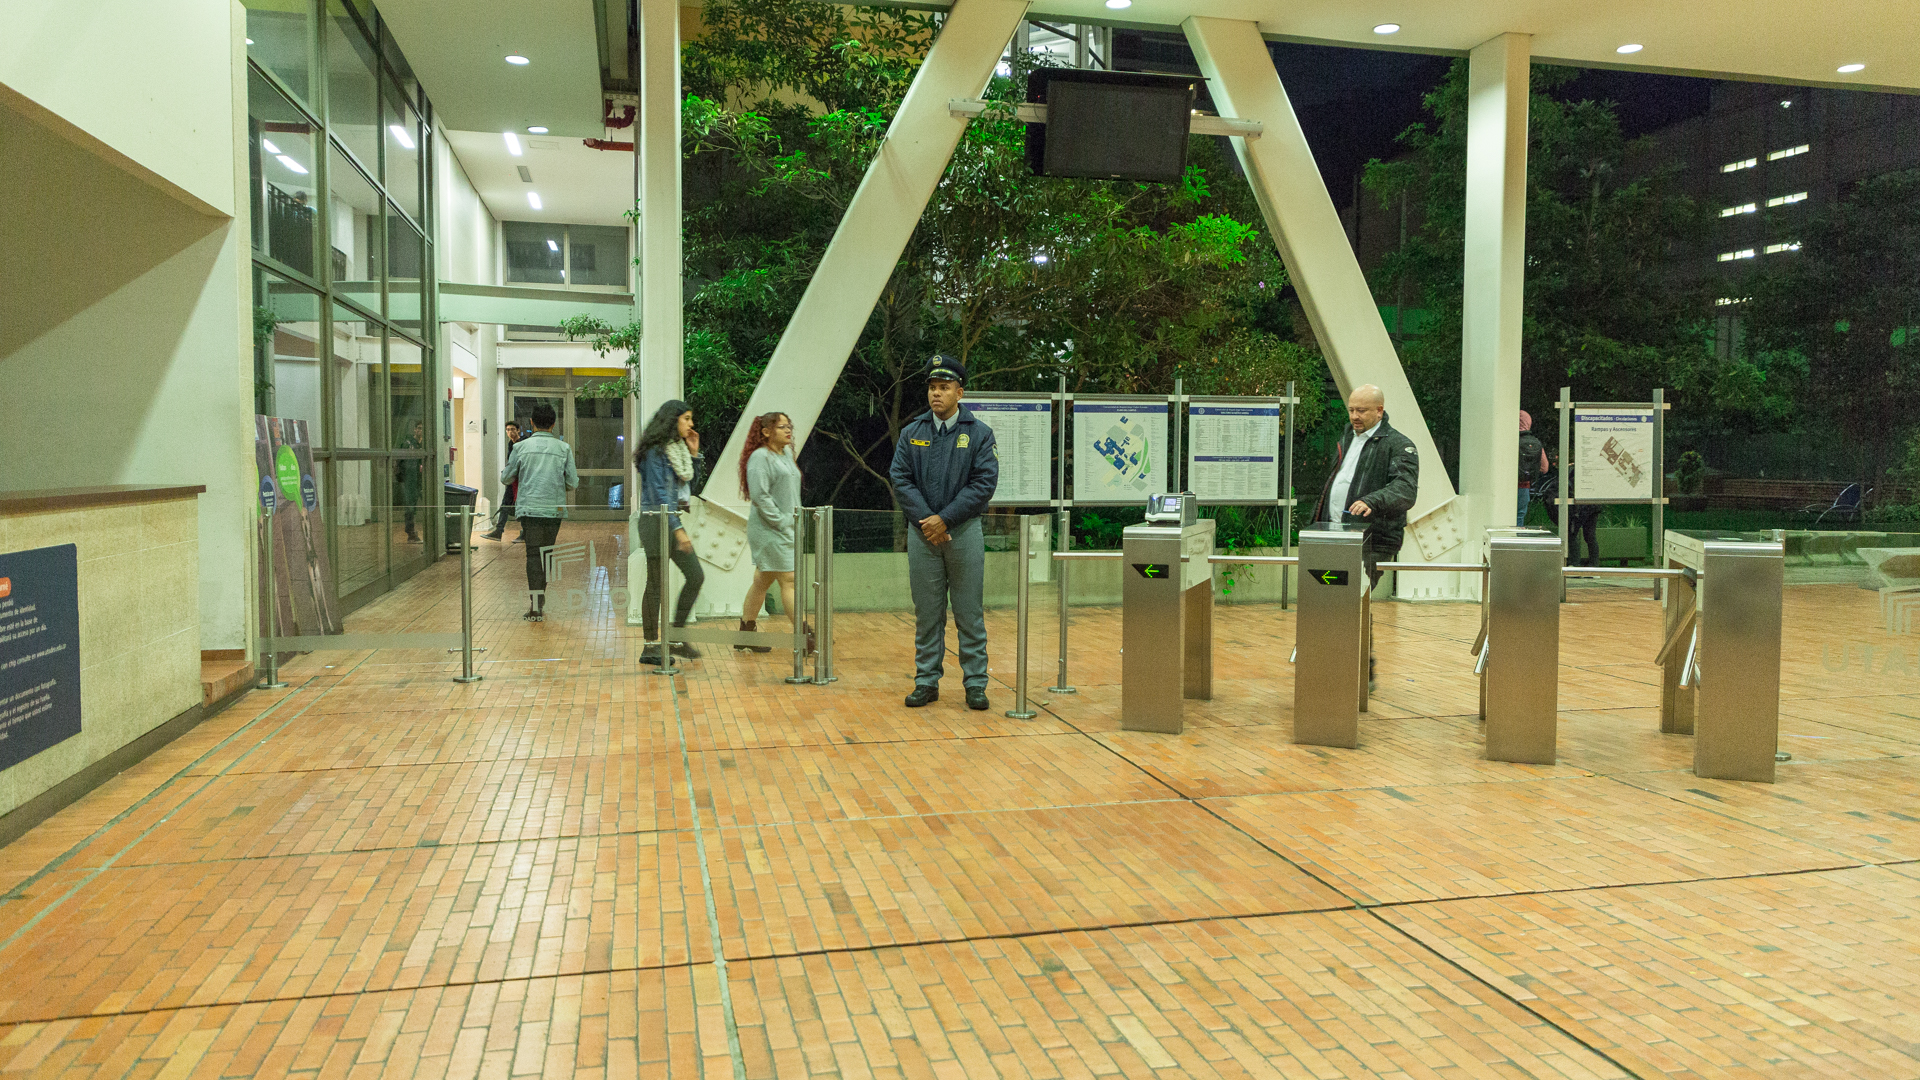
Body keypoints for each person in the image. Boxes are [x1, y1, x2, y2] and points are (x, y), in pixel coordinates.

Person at [889, 356, 999, 710]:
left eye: (944, 388)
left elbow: (983, 484)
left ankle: (976, 684)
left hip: (963, 533)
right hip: (923, 536)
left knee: (968, 611)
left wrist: (945, 520)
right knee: (927, 612)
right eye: (932, 388)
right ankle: (926, 681)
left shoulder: (979, 434)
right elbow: (900, 479)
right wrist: (927, 520)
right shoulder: (913, 432)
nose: (936, 394)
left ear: (959, 392)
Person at [1310, 384, 1419, 689]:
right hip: (1334, 533)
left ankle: (1362, 671)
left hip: (1373, 538)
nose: (1354, 416)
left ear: (1379, 411)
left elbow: (1405, 490)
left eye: (1361, 410)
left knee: (1353, 597)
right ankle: (1333, 664)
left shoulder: (1399, 445)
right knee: (1330, 596)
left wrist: (1373, 500)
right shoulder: (1348, 436)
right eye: (1351, 409)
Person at [636, 399, 706, 665]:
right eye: (686, 418)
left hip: (669, 519)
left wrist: (694, 454)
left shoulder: (677, 449)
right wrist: (677, 530)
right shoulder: (655, 451)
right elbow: (658, 493)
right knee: (655, 584)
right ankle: (650, 646)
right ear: (672, 419)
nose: (691, 424)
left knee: (695, 576)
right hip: (655, 520)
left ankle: (675, 637)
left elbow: (688, 487)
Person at [498, 401, 577, 621]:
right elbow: (573, 482)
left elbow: (506, 478)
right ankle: (539, 599)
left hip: (529, 509)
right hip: (553, 510)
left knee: (533, 554)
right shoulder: (563, 448)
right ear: (553, 424)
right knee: (547, 553)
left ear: (532, 422)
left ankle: (535, 605)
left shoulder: (520, 447)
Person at [737, 412, 801, 653]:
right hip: (769, 528)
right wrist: (783, 521)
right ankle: (804, 636)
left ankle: (746, 632)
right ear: (766, 432)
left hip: (785, 527)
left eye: (789, 426)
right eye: (782, 426)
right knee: (789, 579)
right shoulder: (760, 457)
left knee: (762, 579)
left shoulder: (784, 454)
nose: (788, 431)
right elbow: (760, 496)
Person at [481, 420, 522, 541]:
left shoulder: (522, 443)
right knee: (505, 504)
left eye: (513, 429)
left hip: (521, 481)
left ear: (518, 430)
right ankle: (499, 531)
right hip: (512, 480)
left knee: (521, 505)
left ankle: (524, 532)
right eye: (508, 430)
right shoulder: (511, 444)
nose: (510, 432)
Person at [1517, 411, 1548, 526]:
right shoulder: (1535, 442)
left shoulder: (1506, 440)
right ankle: (1516, 541)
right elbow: (1544, 468)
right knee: (1519, 515)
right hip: (1524, 485)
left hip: (1504, 486)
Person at [397, 420, 425, 542]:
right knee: (410, 506)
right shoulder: (409, 444)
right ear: (414, 429)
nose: (420, 431)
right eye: (418, 428)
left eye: (422, 428)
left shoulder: (425, 444)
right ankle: (410, 532)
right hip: (411, 480)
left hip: (420, 480)